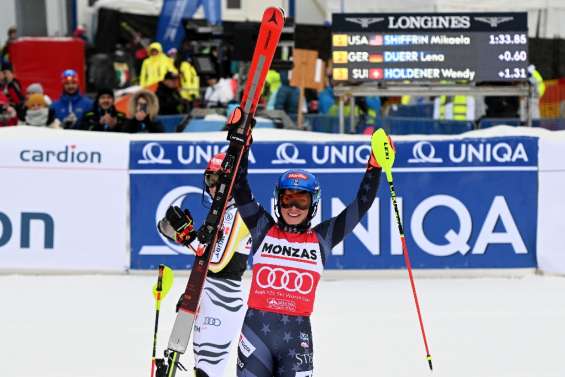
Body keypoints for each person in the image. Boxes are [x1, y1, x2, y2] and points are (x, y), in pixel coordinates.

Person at [232, 127, 385, 376]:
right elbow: (239, 188)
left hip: (296, 338)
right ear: (277, 201)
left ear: (313, 204)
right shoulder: (262, 228)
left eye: (301, 201)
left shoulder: (322, 237)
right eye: (287, 199)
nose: (293, 207)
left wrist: (375, 166)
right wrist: (241, 145)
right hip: (256, 334)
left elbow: (361, 205)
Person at [157, 153, 252, 377]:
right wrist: (195, 296)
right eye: (210, 180)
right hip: (207, 297)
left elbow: (217, 263)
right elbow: (204, 259)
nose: (213, 187)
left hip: (224, 301)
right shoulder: (220, 212)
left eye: (219, 180)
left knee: (207, 374)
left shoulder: (238, 211)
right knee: (199, 371)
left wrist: (187, 236)